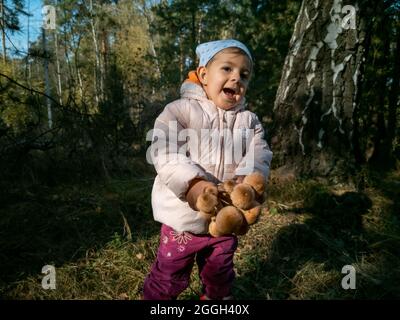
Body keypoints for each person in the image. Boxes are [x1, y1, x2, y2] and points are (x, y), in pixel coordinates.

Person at [143, 39, 273, 300]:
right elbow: (164, 150)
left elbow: (260, 152)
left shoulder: (249, 121)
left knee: (220, 271)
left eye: (244, 75)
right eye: (227, 69)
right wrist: (193, 185)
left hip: (225, 218)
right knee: (170, 274)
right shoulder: (181, 111)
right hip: (182, 221)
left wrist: (249, 180)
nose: (236, 78)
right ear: (203, 75)